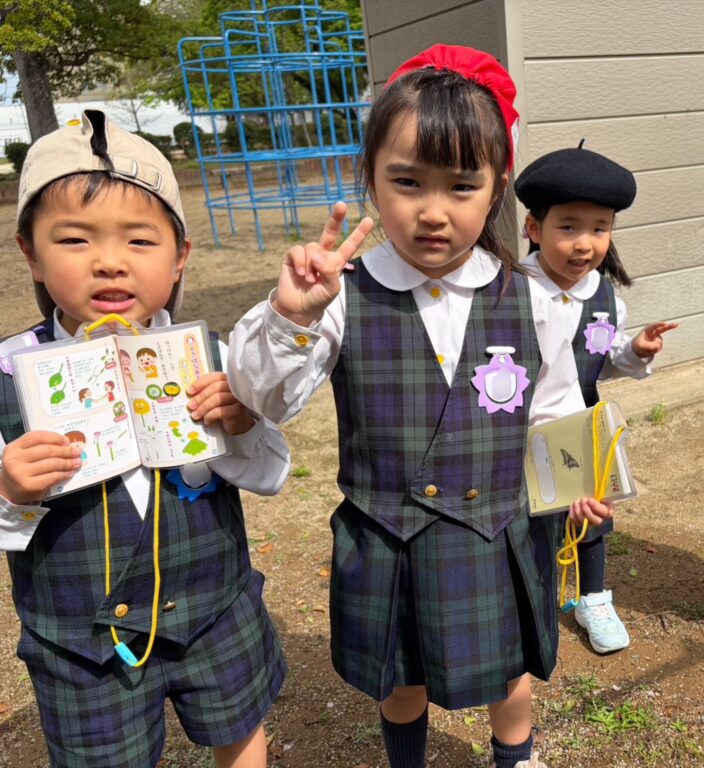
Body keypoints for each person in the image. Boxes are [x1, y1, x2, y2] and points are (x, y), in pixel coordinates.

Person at [227, 45, 612, 768]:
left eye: (463, 186)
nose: (433, 212)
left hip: (495, 533)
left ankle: (515, 759)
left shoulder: (530, 296)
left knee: (509, 672)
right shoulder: (341, 295)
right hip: (389, 539)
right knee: (400, 682)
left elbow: (556, 404)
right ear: (371, 177)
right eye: (406, 181)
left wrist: (579, 479)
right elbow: (263, 398)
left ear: (498, 188)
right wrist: (292, 316)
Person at [1, 111, 290, 768]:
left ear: (179, 254)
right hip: (82, 645)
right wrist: (11, 489)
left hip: (215, 612)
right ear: (32, 255)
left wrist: (242, 425)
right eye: (74, 240)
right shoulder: (11, 375)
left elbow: (273, 472)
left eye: (139, 240)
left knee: (240, 727)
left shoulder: (211, 358)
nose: (109, 262)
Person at [513, 143, 676, 654]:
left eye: (600, 229)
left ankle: (593, 598)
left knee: (592, 516)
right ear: (534, 228)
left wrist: (635, 351)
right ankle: (530, 597)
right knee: (531, 519)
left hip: (583, 427)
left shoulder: (604, 297)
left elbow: (598, 362)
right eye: (568, 226)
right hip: (520, 431)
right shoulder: (511, 292)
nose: (584, 243)